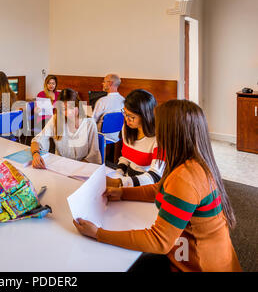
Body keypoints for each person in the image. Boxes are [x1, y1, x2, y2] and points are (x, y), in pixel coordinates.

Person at [73, 99, 242, 272]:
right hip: (197, 254)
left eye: (157, 126)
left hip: (197, 265)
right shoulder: (192, 162)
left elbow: (159, 241)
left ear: (171, 133)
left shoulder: (185, 178)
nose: (154, 131)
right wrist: (122, 193)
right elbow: (160, 189)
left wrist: (98, 233)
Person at [106, 89, 165, 188]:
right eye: (125, 113)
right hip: (128, 180)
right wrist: (118, 173)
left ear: (146, 116)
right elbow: (126, 157)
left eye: (132, 117)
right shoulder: (128, 128)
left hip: (148, 185)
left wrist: (120, 182)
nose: (126, 119)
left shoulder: (159, 137)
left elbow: (155, 176)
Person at [31, 88, 101, 167]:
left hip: (83, 167)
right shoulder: (56, 120)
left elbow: (93, 156)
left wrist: (75, 168)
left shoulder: (90, 123)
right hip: (61, 167)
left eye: (71, 107)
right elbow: (37, 140)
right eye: (64, 109)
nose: (69, 112)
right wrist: (35, 154)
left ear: (78, 105)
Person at [92, 74, 125, 142]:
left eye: (104, 81)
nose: (102, 83)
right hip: (118, 136)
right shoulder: (124, 100)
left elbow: (93, 121)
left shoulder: (102, 101)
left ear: (110, 83)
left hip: (102, 137)